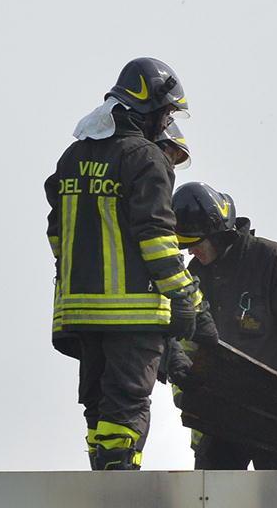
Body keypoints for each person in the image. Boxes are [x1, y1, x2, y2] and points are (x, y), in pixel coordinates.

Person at [45, 57, 209, 469]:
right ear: (149, 105)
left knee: (99, 404)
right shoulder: (146, 158)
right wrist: (186, 298)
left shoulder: (72, 157)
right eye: (167, 111)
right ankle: (121, 482)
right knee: (128, 401)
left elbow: (56, 235)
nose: (167, 120)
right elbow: (156, 239)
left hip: (79, 311)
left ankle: (105, 469)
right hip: (131, 312)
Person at [173, 182, 277, 470]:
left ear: (218, 233)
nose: (191, 253)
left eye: (196, 244)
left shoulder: (273, 260)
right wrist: (187, 394)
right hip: (219, 418)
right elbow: (186, 341)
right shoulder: (194, 275)